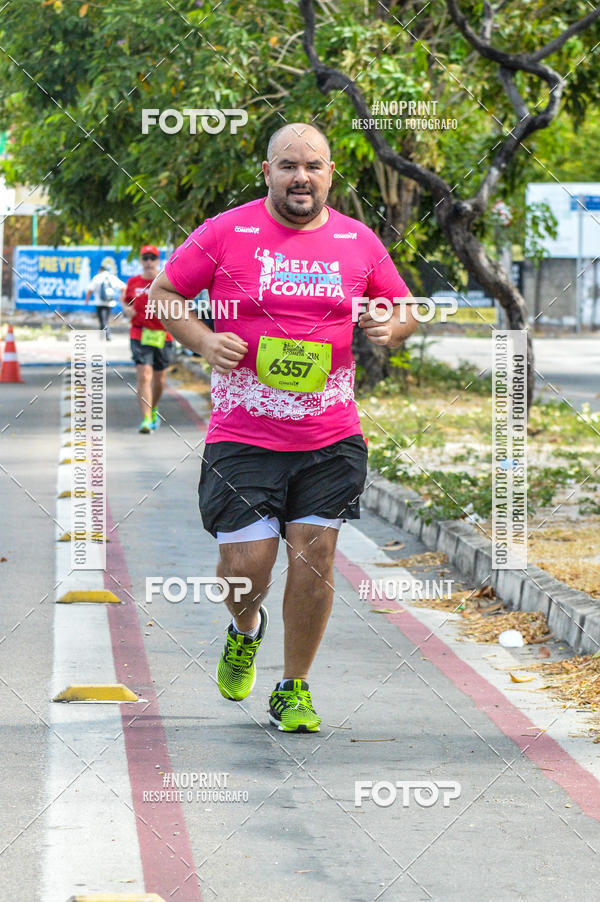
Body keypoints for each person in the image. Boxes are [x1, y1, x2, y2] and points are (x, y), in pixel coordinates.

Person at [149, 122, 418, 732]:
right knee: (247, 565)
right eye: (289, 165)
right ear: (267, 171)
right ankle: (246, 627)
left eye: (314, 166)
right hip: (243, 435)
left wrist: (392, 327)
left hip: (331, 435)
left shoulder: (357, 239)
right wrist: (201, 338)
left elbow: (401, 304)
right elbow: (163, 295)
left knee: (316, 558)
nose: (302, 177)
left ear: (329, 175)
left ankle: (293, 686)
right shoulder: (226, 231)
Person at [122, 245, 174, 434]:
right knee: (144, 375)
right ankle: (145, 419)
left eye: (152, 258)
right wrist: (127, 309)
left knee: (159, 380)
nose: (149, 262)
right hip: (140, 333)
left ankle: (153, 408)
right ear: (141, 261)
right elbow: (126, 301)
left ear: (158, 260)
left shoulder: (167, 281)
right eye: (145, 258)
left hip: (163, 333)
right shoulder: (134, 282)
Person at [85, 259, 126, 341]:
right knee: (105, 319)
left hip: (99, 303)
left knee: (102, 320)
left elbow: (90, 290)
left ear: (100, 270)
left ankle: (106, 335)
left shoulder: (97, 278)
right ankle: (103, 335)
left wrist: (87, 300)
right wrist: (122, 296)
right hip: (109, 302)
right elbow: (123, 287)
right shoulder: (112, 277)